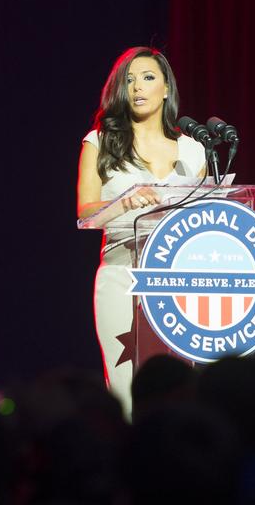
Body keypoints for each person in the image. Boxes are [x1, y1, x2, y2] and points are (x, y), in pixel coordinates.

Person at [76, 47, 206, 415]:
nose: (137, 87)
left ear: (166, 88)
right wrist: (123, 203)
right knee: (125, 390)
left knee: (178, 388)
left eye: (148, 77)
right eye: (129, 80)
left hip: (177, 282)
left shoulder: (193, 151)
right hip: (122, 275)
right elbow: (85, 213)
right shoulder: (100, 142)